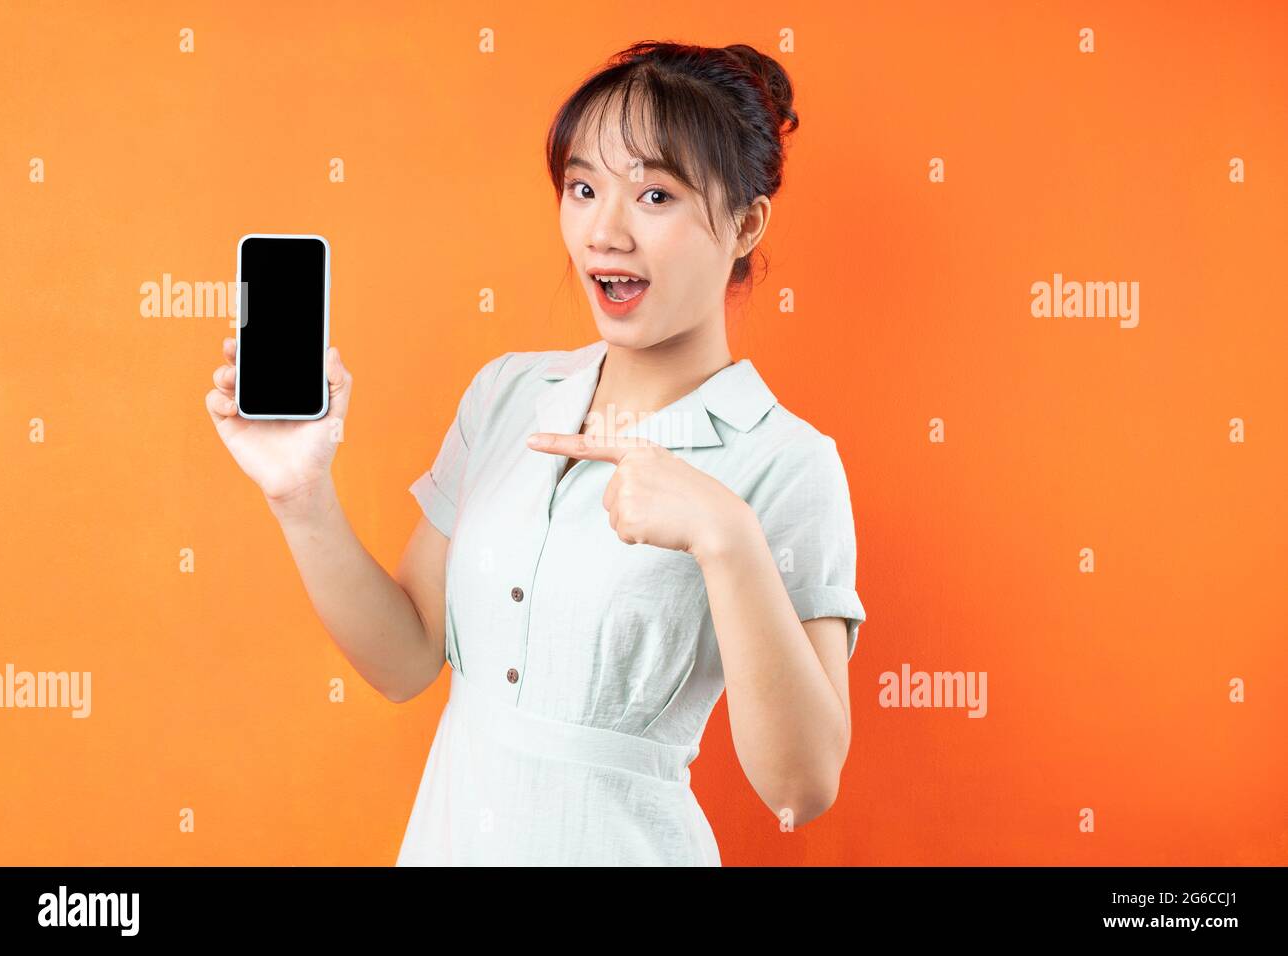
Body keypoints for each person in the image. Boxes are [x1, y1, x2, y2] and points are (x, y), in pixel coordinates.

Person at [205, 40, 867, 866]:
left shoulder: (788, 460)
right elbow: (408, 659)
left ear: (746, 222)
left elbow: (800, 788)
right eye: (583, 188)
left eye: (655, 194)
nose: (605, 231)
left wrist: (724, 537)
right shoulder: (507, 394)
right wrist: (299, 495)